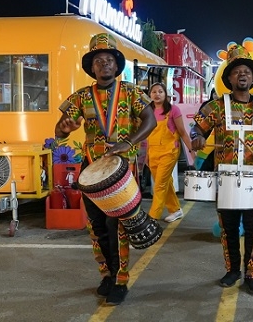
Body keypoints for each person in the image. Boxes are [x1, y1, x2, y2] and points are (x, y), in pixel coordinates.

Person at [54, 33, 157, 305]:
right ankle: (106, 275)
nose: (104, 65)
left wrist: (128, 142)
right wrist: (63, 129)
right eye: (98, 61)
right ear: (92, 67)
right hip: (91, 170)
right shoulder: (80, 97)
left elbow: (150, 121)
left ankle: (121, 280)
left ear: (116, 64)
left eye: (109, 60)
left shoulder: (132, 92)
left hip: (121, 171)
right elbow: (60, 128)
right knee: (97, 226)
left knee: (118, 226)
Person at [191, 44, 253, 294]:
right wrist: (196, 137)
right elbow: (197, 129)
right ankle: (232, 270)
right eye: (236, 71)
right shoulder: (215, 107)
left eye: (247, 71)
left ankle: (252, 274)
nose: (242, 74)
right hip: (226, 178)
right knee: (229, 227)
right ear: (228, 78)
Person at [146, 82, 192, 222]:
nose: (157, 94)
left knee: (159, 184)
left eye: (160, 91)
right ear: (150, 95)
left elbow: (183, 132)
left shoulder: (173, 110)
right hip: (153, 152)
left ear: (165, 94)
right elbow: (145, 134)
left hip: (169, 151)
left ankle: (153, 216)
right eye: (154, 92)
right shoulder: (147, 111)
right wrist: (145, 156)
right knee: (165, 182)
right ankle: (176, 210)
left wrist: (192, 151)